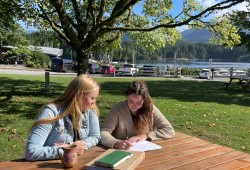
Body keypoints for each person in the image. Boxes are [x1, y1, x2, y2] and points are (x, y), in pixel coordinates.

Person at [25, 74, 101, 161]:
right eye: (92, 98)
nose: (93, 103)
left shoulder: (90, 110)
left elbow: (95, 136)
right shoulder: (51, 112)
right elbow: (31, 151)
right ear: (78, 96)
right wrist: (66, 150)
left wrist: (76, 146)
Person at [100, 80, 175, 150]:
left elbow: (169, 130)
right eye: (131, 101)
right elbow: (103, 133)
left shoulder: (150, 109)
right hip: (122, 152)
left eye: (139, 102)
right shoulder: (117, 109)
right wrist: (116, 143)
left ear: (144, 100)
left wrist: (146, 136)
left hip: (146, 152)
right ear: (127, 97)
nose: (134, 105)